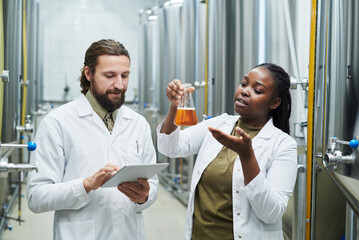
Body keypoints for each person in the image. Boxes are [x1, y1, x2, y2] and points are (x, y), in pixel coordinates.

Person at [27, 39, 158, 240]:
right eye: (109, 76)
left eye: (125, 75)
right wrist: (86, 185)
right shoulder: (57, 123)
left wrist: (144, 197)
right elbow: (36, 197)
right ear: (89, 74)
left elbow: (153, 185)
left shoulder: (138, 124)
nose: (119, 85)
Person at [157, 63, 298, 240]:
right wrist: (174, 106)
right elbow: (170, 148)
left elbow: (271, 213)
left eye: (258, 90)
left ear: (275, 103)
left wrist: (247, 158)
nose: (245, 91)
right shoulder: (218, 124)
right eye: (244, 83)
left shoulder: (283, 145)